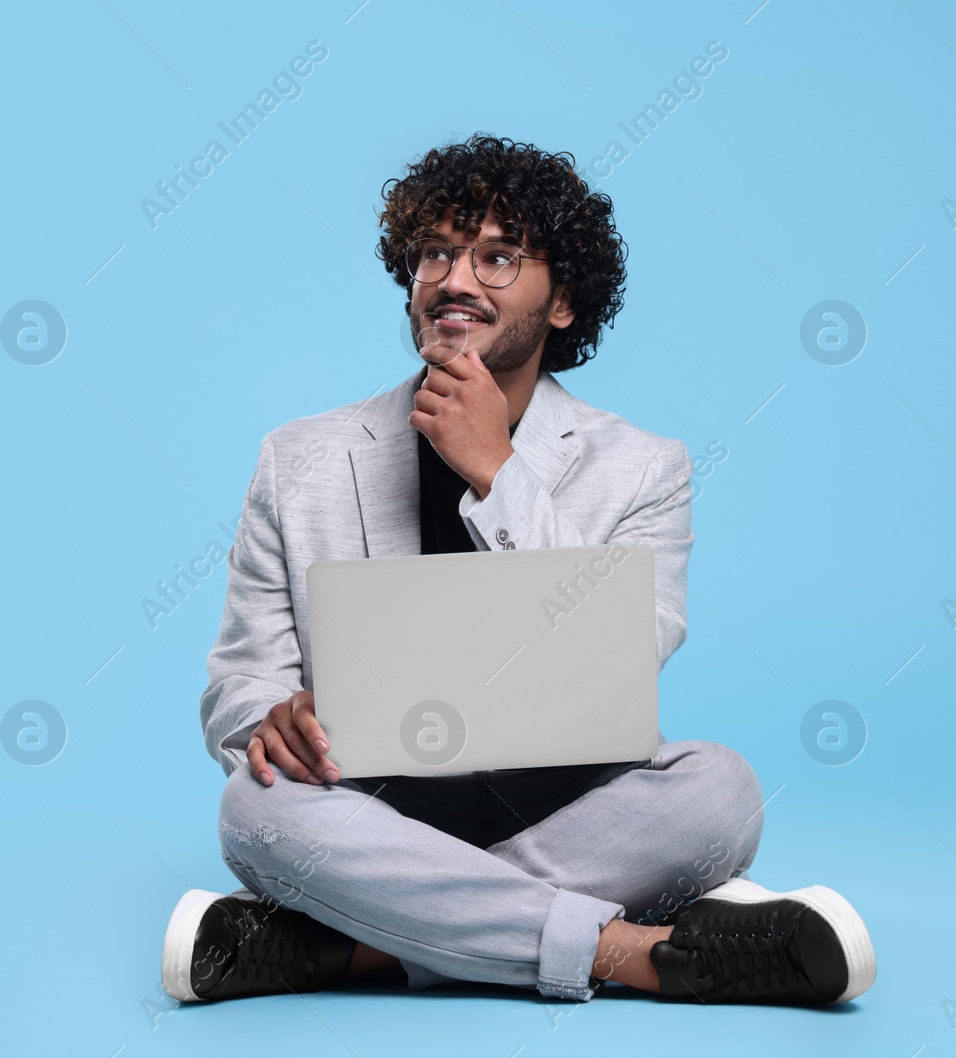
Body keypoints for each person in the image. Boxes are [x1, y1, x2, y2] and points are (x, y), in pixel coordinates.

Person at [160, 134, 875, 1007]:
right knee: (253, 807)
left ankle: (357, 944)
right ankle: (633, 952)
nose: (456, 279)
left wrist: (498, 470)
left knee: (722, 790)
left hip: (565, 804)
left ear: (563, 300)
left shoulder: (647, 468)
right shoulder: (298, 457)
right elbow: (239, 681)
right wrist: (267, 720)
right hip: (373, 807)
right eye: (436, 253)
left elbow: (621, 656)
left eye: (498, 257)